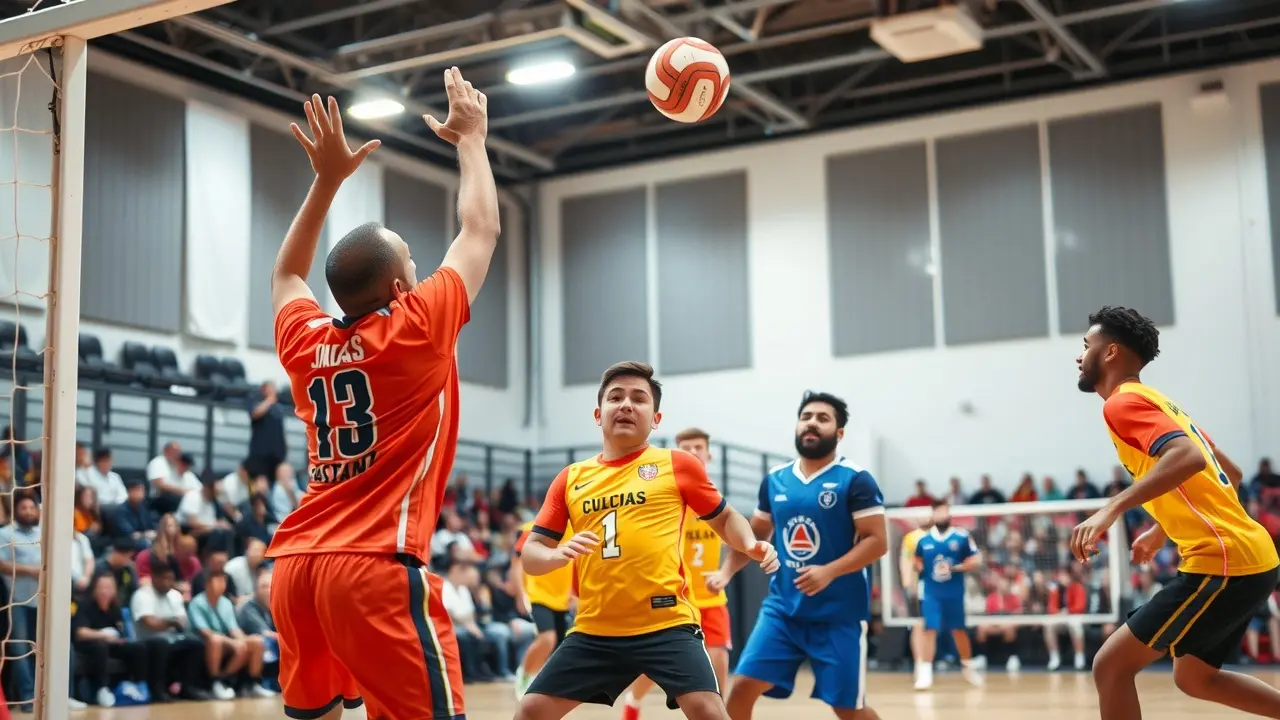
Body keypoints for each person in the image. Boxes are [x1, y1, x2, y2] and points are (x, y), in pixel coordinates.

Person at [266, 68, 500, 720]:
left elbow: (288, 271)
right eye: (412, 262)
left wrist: (326, 180)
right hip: (372, 568)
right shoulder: (416, 327)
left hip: (296, 568)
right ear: (401, 289)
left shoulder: (305, 339)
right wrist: (472, 137)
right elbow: (479, 230)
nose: (425, 271)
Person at [515, 361, 778, 720]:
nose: (626, 404)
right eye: (616, 397)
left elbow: (726, 516)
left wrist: (749, 543)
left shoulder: (677, 464)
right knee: (531, 710)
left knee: (708, 710)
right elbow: (531, 553)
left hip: (666, 624)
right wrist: (555, 555)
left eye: (639, 398)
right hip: (595, 628)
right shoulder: (570, 478)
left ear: (655, 419)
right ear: (598, 413)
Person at [1070, 306, 1280, 719]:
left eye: (1086, 345)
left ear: (1110, 352)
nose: (1080, 356)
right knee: (1195, 678)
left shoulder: (1122, 404)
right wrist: (1161, 528)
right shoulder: (1161, 402)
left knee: (1111, 666)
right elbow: (1230, 474)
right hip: (1251, 557)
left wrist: (1111, 508)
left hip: (1224, 563)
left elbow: (1187, 459)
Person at [722, 391, 888, 720]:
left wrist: (829, 571)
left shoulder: (855, 479)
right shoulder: (774, 480)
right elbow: (754, 538)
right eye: (806, 416)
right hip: (783, 610)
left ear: (839, 434)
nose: (812, 423)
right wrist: (726, 571)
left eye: (822, 418)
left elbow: (877, 541)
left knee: (847, 708)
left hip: (838, 614)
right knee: (741, 687)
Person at [620, 427, 735, 720]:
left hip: (709, 594)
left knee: (719, 654)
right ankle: (633, 700)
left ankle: (717, 712)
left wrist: (724, 573)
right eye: (686, 447)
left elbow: (738, 542)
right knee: (656, 663)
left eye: (698, 447)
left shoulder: (715, 499)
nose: (693, 453)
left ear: (708, 454)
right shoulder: (665, 495)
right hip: (673, 595)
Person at [912, 499, 983, 690]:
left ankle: (968, 668)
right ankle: (925, 673)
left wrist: (955, 567)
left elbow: (976, 561)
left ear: (950, 515)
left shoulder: (961, 537)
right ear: (933, 515)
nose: (942, 515)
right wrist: (918, 567)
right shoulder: (924, 540)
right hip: (931, 592)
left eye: (945, 511)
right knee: (929, 629)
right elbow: (916, 559)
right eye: (939, 512)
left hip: (954, 592)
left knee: (959, 630)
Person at [510, 512, 575, 699]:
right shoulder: (531, 529)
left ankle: (540, 681)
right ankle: (524, 675)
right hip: (537, 595)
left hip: (562, 598)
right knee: (547, 638)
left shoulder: (576, 528)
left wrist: (574, 592)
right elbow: (516, 563)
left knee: (559, 645)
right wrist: (520, 593)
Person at [899, 518, 929, 679]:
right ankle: (919, 663)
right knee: (918, 626)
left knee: (930, 628)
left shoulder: (938, 535)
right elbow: (905, 560)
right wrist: (907, 583)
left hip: (936, 589)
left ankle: (927, 663)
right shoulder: (912, 537)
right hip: (917, 589)